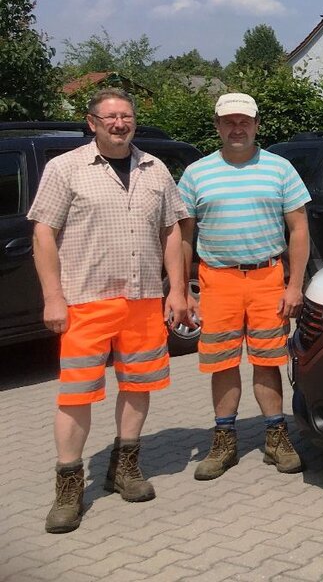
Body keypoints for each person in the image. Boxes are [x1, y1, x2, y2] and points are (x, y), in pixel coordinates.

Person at [29, 88, 191, 533]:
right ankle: (68, 485)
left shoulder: (154, 168)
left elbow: (172, 232)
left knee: (139, 385)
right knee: (76, 395)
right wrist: (53, 296)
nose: (120, 123)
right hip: (85, 300)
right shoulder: (65, 169)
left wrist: (177, 290)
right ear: (92, 122)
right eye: (110, 117)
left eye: (126, 116)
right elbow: (43, 235)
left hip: (142, 300)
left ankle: (125, 466)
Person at [178, 93, 311, 480]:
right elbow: (184, 236)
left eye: (244, 121)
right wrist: (184, 288)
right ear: (218, 126)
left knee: (269, 361)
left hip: (269, 278)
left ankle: (275, 437)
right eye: (229, 122)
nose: (237, 128)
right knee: (221, 362)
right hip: (216, 280)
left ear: (256, 125)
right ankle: (224, 440)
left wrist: (294, 285)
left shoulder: (280, 169)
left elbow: (299, 229)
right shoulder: (197, 173)